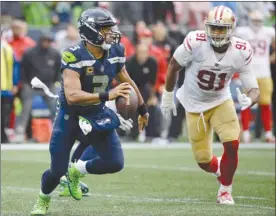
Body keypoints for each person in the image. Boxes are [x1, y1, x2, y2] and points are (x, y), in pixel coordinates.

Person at [30, 8, 149, 215]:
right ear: (91, 31)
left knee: (115, 162)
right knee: (56, 171)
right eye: (106, 29)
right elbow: (73, 95)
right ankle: (43, 199)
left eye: (112, 28)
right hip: (71, 115)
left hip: (96, 113)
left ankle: (76, 170)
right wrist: (107, 96)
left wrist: (142, 107)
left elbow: (125, 78)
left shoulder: (116, 51)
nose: (112, 33)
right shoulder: (73, 55)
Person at [160, 6, 260, 204]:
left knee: (232, 143)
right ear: (207, 27)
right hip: (194, 103)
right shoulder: (195, 42)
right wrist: (168, 95)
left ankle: (225, 190)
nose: (217, 33)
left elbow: (252, 85)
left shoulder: (241, 50)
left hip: (221, 100)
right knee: (204, 160)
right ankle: (220, 169)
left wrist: (251, 98)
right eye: (214, 28)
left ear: (231, 29)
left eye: (222, 29)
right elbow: (173, 65)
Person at [235, 10, 275, 143]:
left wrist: (270, 58)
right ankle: (246, 132)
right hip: (248, 73)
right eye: (254, 21)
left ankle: (268, 133)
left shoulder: (269, 32)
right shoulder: (243, 32)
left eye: (259, 21)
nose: (257, 24)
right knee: (246, 103)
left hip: (264, 72)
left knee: (265, 104)